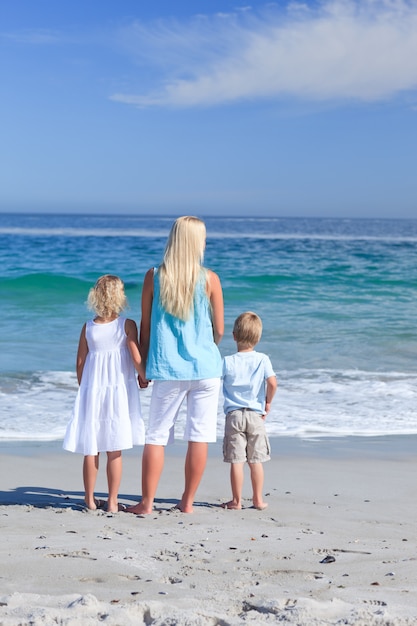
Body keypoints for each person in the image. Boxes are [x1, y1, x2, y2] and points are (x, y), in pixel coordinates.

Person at [127, 216, 224, 515]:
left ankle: (146, 503)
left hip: (168, 369)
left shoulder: (153, 276)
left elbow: (145, 325)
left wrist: (141, 365)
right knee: (199, 435)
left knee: (156, 436)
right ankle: (188, 502)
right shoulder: (210, 279)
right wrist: (204, 349)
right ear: (196, 242)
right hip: (206, 369)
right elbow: (219, 329)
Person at [63, 274, 146, 513]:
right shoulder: (127, 324)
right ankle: (111, 502)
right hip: (118, 391)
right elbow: (135, 355)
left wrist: (85, 388)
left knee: (92, 447)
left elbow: (80, 362)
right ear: (120, 297)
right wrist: (143, 375)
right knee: (114, 448)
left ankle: (89, 500)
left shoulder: (88, 327)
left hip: (93, 391)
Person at [221, 311, 277, 510]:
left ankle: (236, 501)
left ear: (234, 336)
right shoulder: (262, 359)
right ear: (258, 337)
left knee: (237, 460)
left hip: (234, 415)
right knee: (256, 460)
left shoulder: (227, 361)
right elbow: (272, 383)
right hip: (255, 415)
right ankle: (258, 500)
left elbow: (213, 384)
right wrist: (267, 402)